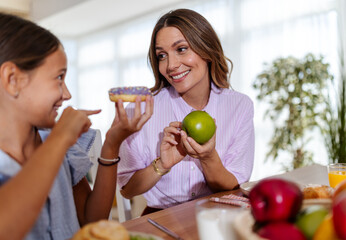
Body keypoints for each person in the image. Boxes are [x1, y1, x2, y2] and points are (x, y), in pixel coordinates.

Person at [0, 13, 153, 240]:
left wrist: (112, 143)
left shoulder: (56, 142)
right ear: (12, 79)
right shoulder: (58, 140)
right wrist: (60, 139)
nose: (67, 94)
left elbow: (90, 220)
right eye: (59, 78)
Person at [118, 8, 254, 214]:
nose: (171, 65)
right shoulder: (140, 110)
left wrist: (208, 157)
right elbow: (128, 190)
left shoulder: (239, 106)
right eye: (161, 55)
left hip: (218, 215)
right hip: (161, 219)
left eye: (181, 49)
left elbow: (233, 186)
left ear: (207, 49)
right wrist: (161, 165)